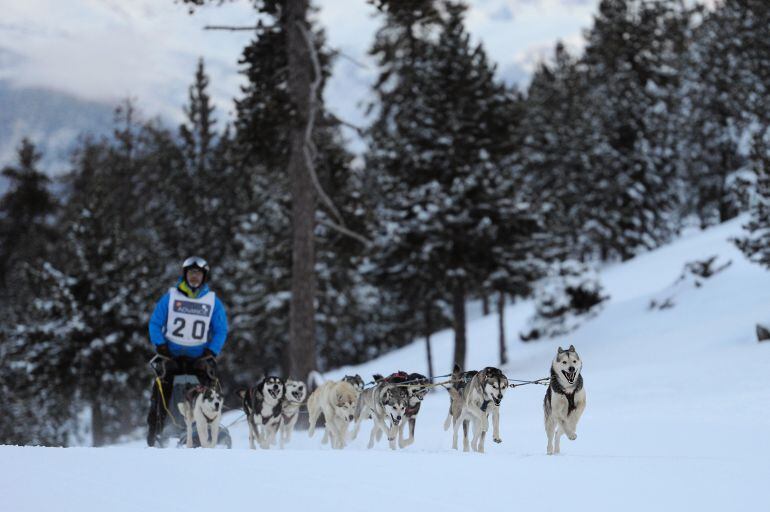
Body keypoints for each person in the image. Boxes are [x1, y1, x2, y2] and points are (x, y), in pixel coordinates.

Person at [146, 256, 228, 447]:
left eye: (198, 273)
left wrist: (211, 351)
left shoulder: (212, 301)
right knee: (161, 388)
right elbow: (155, 323)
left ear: (204, 276)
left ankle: (207, 428)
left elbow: (221, 329)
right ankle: (156, 431)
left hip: (199, 357)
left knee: (207, 391)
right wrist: (161, 345)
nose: (194, 277)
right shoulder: (171, 297)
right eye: (191, 273)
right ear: (185, 275)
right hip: (171, 355)